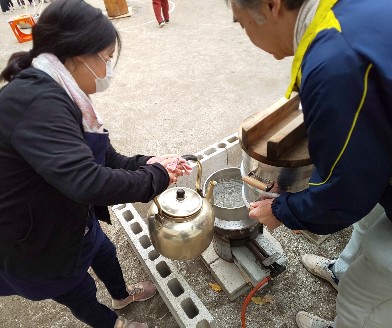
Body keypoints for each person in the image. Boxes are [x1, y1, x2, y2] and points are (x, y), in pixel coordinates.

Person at [0, 0, 191, 328]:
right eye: (104, 59)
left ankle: (121, 295)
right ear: (77, 57)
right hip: (38, 240)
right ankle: (114, 323)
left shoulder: (64, 92)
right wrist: (156, 178)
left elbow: (106, 159)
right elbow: (88, 181)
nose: (107, 70)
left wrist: (149, 162)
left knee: (104, 252)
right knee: (79, 291)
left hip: (74, 219)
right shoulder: (35, 102)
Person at [225, 0, 392, 327]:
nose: (247, 35)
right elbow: (361, 144)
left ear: (271, 6)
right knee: (368, 220)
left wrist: (280, 210)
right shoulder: (349, 10)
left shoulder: (335, 64)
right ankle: (340, 270)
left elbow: (343, 196)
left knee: (362, 295)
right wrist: (290, 189)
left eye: (243, 24)